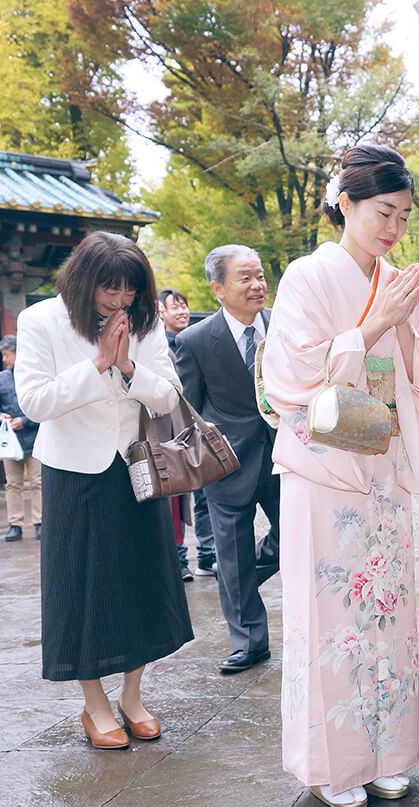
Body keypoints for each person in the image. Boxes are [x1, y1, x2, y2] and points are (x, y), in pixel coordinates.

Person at [263, 143, 419, 807]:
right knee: (330, 616)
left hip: (382, 464)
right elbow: (290, 378)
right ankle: (332, 764)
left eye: (403, 215)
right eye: (383, 213)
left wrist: (402, 326)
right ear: (344, 203)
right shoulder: (306, 277)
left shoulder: (398, 278)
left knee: (389, 615)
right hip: (325, 467)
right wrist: (375, 324)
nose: (394, 229)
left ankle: (388, 753)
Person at [16, 231, 194, 750]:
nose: (119, 301)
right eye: (109, 290)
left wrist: (127, 366)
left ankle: (133, 697)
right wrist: (96, 363)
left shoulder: (146, 322)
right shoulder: (41, 320)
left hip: (136, 466)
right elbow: (34, 401)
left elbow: (169, 396)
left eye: (130, 291)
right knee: (82, 587)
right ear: (83, 281)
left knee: (143, 581)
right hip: (74, 471)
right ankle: (94, 705)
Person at [175, 247, 281, 671]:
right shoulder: (195, 341)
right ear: (218, 288)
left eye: (259, 276)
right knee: (232, 553)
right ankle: (250, 642)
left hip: (282, 456)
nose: (257, 285)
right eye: (244, 278)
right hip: (227, 464)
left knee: (293, 538)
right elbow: (189, 410)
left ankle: (237, 584)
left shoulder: (284, 325)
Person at [158, 287, 213, 581]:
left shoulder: (197, 341)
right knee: (173, 495)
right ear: (160, 311)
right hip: (167, 429)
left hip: (198, 427)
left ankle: (206, 554)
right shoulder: (156, 345)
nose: (182, 311)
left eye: (184, 305)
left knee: (205, 494)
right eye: (174, 307)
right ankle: (178, 558)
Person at [0, 335, 42, 542]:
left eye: (6, 354)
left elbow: (42, 404)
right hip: (9, 439)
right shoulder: (2, 377)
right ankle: (15, 524)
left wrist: (25, 420)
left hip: (34, 437)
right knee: (12, 483)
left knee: (38, 481)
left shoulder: (35, 374)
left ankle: (40, 522)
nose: (3, 358)